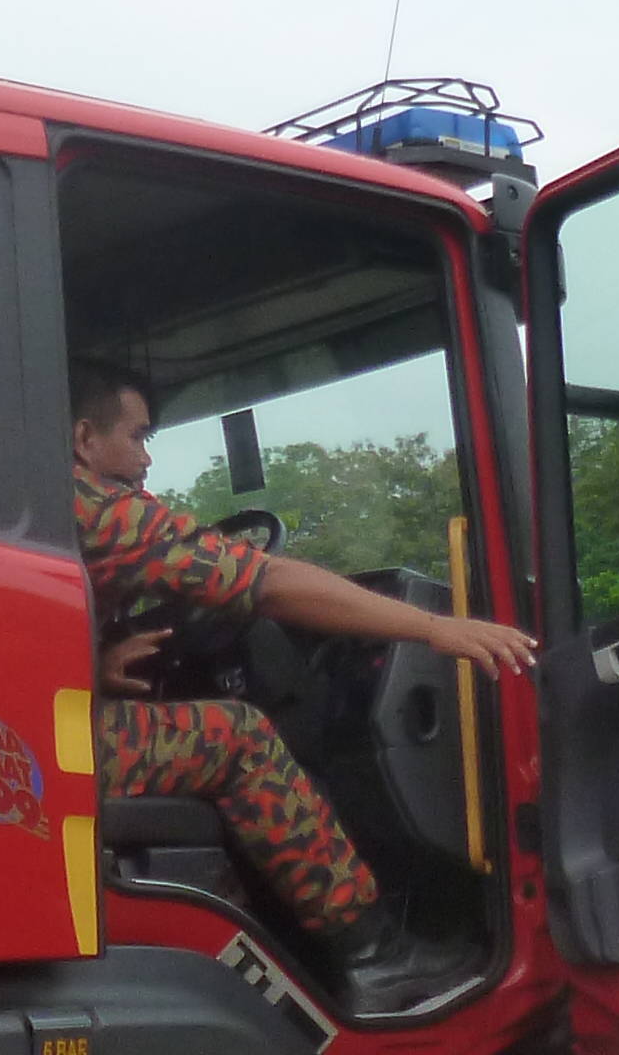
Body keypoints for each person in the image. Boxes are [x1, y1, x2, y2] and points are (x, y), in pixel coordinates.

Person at [71, 365, 535, 1010]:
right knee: (240, 737)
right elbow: (270, 584)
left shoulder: (40, 507)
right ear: (85, 439)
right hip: (43, 751)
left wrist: (90, 667)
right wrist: (434, 628)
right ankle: (376, 957)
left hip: (8, 736)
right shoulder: (97, 509)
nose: (146, 458)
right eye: (138, 436)